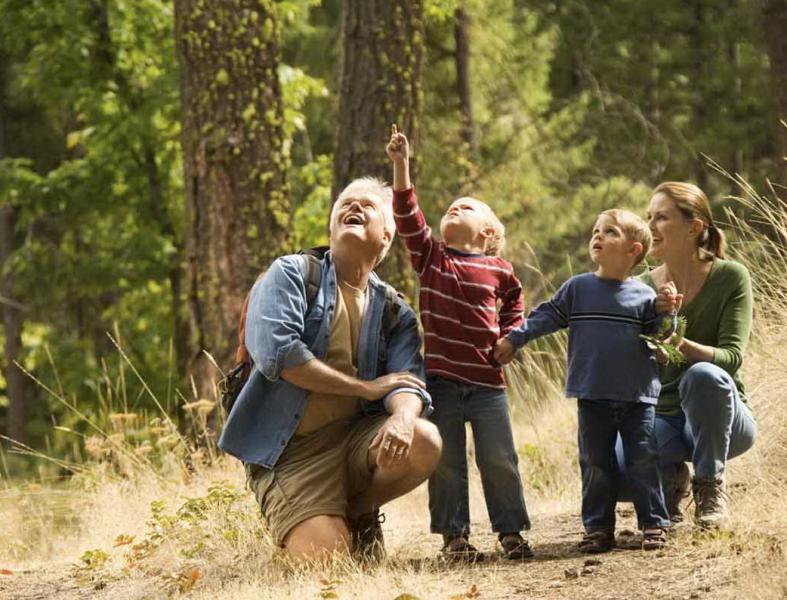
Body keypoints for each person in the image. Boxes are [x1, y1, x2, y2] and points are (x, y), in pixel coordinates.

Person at [218, 177, 442, 562]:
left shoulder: (393, 310)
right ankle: (311, 527)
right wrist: (365, 388)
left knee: (424, 440)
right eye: (345, 204)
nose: (353, 207)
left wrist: (403, 416)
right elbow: (280, 355)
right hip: (290, 455)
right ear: (332, 224)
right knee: (329, 560)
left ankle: (357, 512)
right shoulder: (290, 274)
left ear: (387, 235)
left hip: (355, 441)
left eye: (367, 205)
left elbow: (408, 381)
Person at [386, 126, 532, 562]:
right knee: (447, 462)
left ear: (488, 232)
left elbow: (515, 308)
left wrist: (512, 339)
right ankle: (455, 538)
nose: (454, 208)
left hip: (488, 385)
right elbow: (409, 217)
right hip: (443, 382)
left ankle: (511, 532)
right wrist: (401, 165)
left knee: (500, 460)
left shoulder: (500, 269)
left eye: (465, 207)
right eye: (450, 207)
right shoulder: (434, 258)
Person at [495, 209, 677, 553]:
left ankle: (653, 523)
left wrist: (668, 312)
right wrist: (515, 338)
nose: (597, 236)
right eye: (596, 230)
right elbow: (546, 316)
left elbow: (663, 338)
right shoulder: (578, 288)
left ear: (633, 250)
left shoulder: (645, 297)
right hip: (592, 394)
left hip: (638, 397)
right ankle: (598, 529)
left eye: (609, 231)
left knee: (643, 458)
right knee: (595, 461)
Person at [636, 181, 756, 528]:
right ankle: (671, 480)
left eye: (661, 218)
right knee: (612, 469)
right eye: (649, 218)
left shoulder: (731, 276)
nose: (651, 227)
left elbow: (732, 358)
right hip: (664, 418)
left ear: (694, 227)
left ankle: (709, 487)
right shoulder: (641, 287)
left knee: (703, 375)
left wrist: (682, 346)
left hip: (723, 418)